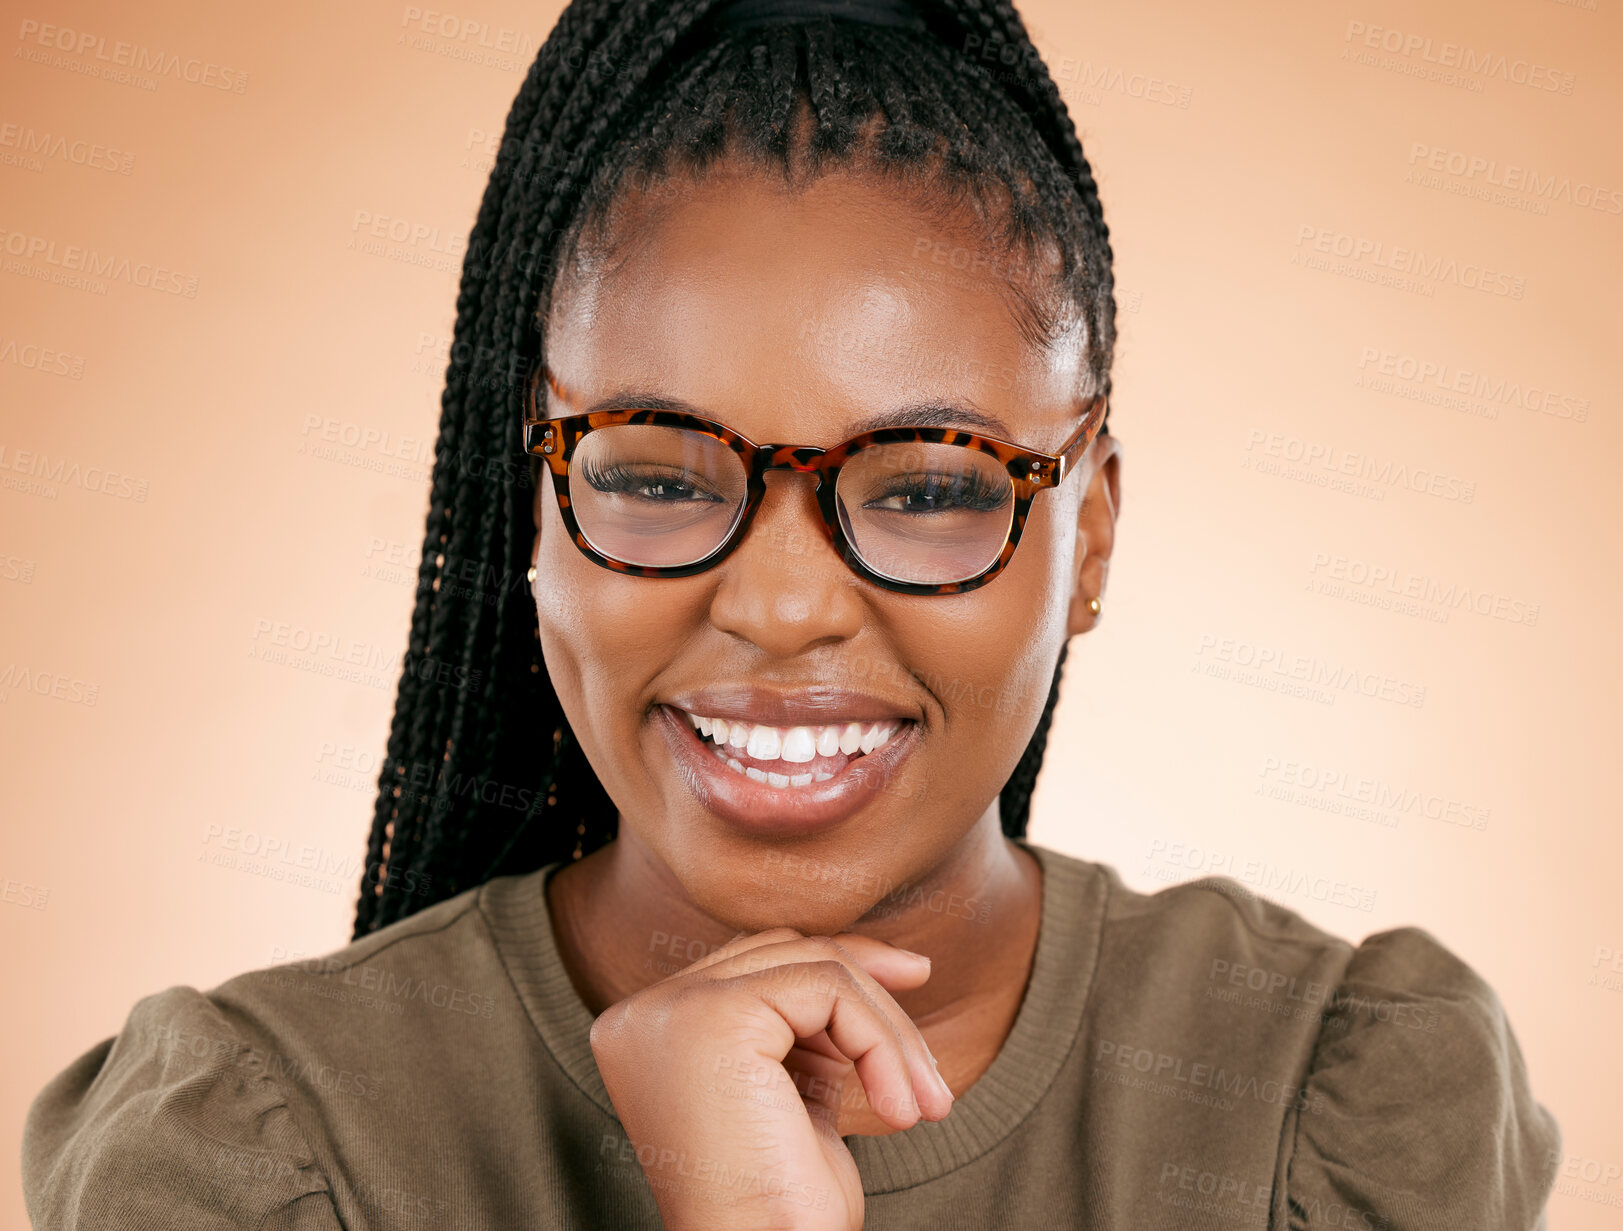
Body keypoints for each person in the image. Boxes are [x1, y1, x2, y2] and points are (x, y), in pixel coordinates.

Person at [22, 0, 1561, 1227]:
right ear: (535, 514)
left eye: (928, 487)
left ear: (1088, 536)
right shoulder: (258, 1149)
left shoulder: (1326, 1102)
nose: (773, 601)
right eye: (656, 475)